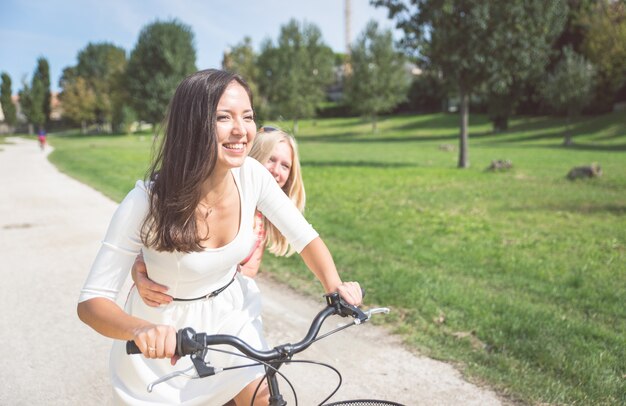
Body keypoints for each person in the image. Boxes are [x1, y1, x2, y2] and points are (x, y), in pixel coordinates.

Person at [77, 69, 362, 405]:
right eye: (224, 117)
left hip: (233, 318)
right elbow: (91, 302)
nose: (241, 130)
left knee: (263, 398)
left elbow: (304, 236)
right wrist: (140, 330)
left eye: (248, 116)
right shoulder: (144, 202)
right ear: (193, 125)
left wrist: (335, 286)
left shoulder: (252, 175)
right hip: (165, 344)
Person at [132, 126, 306, 307]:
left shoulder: (260, 223)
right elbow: (150, 251)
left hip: (218, 308)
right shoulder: (209, 199)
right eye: (271, 160)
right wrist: (137, 273)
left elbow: (246, 274)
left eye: (285, 165)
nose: (277, 171)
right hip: (169, 304)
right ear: (253, 158)